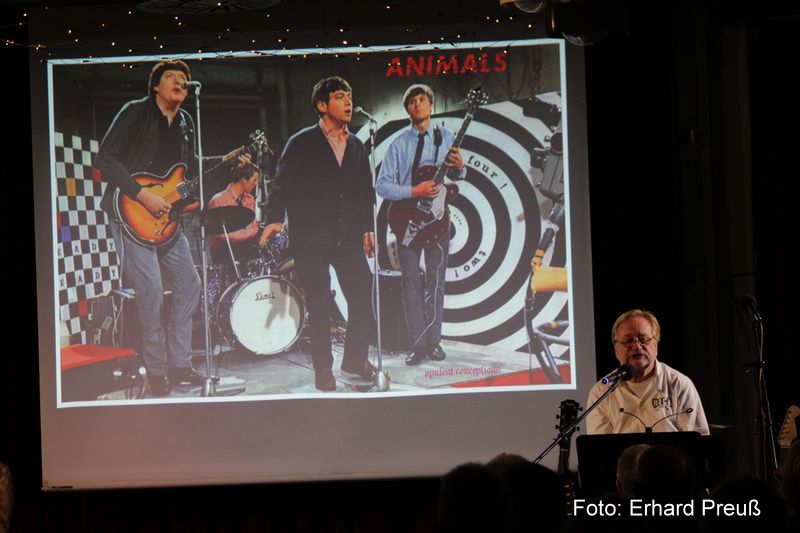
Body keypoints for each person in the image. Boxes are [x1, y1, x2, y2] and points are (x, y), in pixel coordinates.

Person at [94, 60, 247, 396]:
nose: (180, 81)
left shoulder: (186, 122)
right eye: (171, 76)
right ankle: (157, 371)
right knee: (150, 293)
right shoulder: (135, 112)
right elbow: (105, 159)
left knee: (190, 285)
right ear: (155, 85)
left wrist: (226, 162)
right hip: (131, 213)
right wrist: (142, 195)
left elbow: (189, 169)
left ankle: (180, 365)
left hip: (168, 219)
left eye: (184, 78)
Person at [263, 76, 376, 392]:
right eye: (340, 96)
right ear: (322, 105)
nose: (349, 102)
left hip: (347, 235)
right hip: (311, 237)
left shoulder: (356, 146)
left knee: (362, 289)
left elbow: (364, 191)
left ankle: (355, 359)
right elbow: (281, 184)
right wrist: (273, 219)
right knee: (319, 301)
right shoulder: (301, 142)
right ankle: (323, 368)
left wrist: (368, 227)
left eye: (350, 96)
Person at [375, 83, 465, 365]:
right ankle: (418, 345)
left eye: (422, 99)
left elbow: (458, 177)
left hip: (437, 221)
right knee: (410, 283)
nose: (417, 104)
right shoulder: (398, 144)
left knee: (436, 283)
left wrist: (460, 166)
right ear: (407, 109)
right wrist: (415, 191)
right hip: (406, 221)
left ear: (431, 104)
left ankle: (434, 342)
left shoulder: (447, 137)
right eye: (412, 101)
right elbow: (382, 186)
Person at [586, 309, 710, 434]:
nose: (637, 346)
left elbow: (698, 440)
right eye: (628, 341)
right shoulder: (600, 392)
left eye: (643, 339)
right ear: (616, 349)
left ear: (655, 345)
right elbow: (599, 445)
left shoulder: (679, 384)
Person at [207, 162, 271, 268]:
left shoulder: (250, 199)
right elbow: (220, 236)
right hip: (224, 255)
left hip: (246, 252)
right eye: (254, 180)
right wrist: (250, 232)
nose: (256, 184)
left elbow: (253, 227)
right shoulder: (218, 200)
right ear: (244, 180)